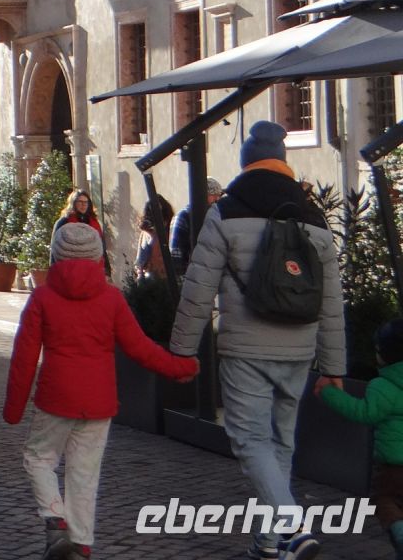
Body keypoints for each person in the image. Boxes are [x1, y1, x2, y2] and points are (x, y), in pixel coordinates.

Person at [170, 121, 343, 560]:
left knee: (249, 441)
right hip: (299, 349)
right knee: (281, 442)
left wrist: (183, 351)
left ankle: (291, 527)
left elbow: (197, 288)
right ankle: (269, 544)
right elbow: (331, 301)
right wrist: (335, 366)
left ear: (246, 162)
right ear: (283, 162)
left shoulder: (225, 211)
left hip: (246, 348)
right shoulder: (313, 215)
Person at [5, 223, 197, 560]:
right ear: (96, 256)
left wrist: (14, 408)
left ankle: (55, 521)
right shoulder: (110, 297)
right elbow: (140, 348)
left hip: (56, 396)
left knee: (39, 458)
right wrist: (180, 367)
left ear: (56, 253)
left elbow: (24, 356)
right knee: (84, 473)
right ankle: (81, 545)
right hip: (99, 399)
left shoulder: (43, 297)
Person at [317, 317, 403, 558]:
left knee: (385, 501)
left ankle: (400, 533)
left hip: (391, 467)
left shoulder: (382, 385)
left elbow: (363, 412)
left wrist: (329, 394)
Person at [168, 177, 222, 273]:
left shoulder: (214, 216)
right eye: (213, 194)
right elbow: (176, 253)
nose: (217, 199)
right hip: (190, 275)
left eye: (219, 195)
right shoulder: (183, 216)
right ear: (202, 194)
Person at [135, 193, 174, 280]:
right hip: (152, 278)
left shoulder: (172, 230)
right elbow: (140, 262)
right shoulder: (148, 234)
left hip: (170, 278)